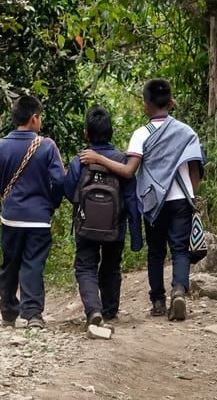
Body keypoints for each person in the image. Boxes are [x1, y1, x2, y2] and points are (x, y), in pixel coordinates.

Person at [79, 78, 203, 321]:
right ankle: (178, 290)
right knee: (179, 249)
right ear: (170, 101)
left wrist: (99, 158)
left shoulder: (141, 134)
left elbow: (128, 171)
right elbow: (195, 169)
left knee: (156, 252)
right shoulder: (188, 132)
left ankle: (158, 301)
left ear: (146, 106)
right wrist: (192, 194)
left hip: (155, 201)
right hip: (181, 199)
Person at [63, 105, 141, 329]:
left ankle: (93, 310)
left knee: (85, 266)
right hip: (115, 226)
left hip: (86, 225)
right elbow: (131, 198)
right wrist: (136, 235)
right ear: (112, 132)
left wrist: (85, 209)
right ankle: (109, 310)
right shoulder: (122, 161)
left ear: (86, 134)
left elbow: (69, 190)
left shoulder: (80, 160)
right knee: (111, 265)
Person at [0, 94, 65, 328]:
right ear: (34, 118)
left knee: (10, 264)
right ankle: (32, 314)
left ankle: (8, 312)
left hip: (11, 216)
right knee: (33, 264)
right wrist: (50, 204)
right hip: (39, 219)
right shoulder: (47, 146)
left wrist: (11, 199)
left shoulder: (1, 145)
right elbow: (60, 182)